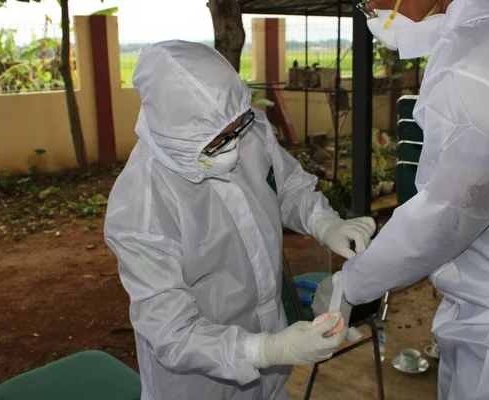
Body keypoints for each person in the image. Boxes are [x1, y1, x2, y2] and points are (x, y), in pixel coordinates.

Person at [314, 0, 489, 398]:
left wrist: (353, 283)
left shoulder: (486, 59)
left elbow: (451, 211)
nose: (370, 13)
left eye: (369, 1)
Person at [104, 40, 377, 400]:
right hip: (201, 381)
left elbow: (288, 185)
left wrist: (326, 223)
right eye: (219, 141)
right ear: (180, 138)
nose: (234, 142)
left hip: (270, 360)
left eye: (237, 126)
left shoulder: (242, 124)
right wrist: (266, 350)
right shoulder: (141, 208)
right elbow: (172, 332)